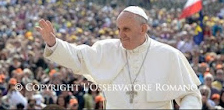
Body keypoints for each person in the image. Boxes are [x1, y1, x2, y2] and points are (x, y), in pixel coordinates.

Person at [36, 6, 202, 108]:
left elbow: (190, 95)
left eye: (126, 29)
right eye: (119, 29)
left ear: (143, 29)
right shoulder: (106, 49)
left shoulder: (169, 55)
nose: (121, 35)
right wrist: (54, 43)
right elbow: (77, 57)